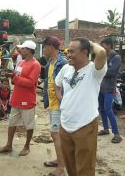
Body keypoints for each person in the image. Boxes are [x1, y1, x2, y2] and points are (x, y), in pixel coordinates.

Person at [55, 37, 107, 176]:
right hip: (65, 124)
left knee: (85, 168)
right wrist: (61, 99)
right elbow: (57, 84)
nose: (68, 54)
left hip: (85, 125)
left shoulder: (94, 71)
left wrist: (90, 43)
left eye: (72, 51)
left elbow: (101, 53)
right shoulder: (66, 68)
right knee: (70, 165)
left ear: (85, 53)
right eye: (68, 51)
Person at [0, 40, 41, 156]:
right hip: (16, 98)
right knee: (12, 123)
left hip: (27, 100)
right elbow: (15, 79)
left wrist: (14, 77)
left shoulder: (35, 65)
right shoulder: (20, 63)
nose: (20, 50)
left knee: (28, 125)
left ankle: (27, 146)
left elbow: (31, 82)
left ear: (29, 50)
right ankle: (9, 145)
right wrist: (10, 76)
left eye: (23, 49)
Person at [41, 36, 68, 176]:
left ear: (50, 46)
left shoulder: (63, 63)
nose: (43, 50)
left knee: (56, 134)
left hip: (59, 104)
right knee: (56, 134)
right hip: (52, 103)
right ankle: (59, 160)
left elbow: (68, 85)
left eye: (44, 47)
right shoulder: (49, 63)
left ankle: (61, 169)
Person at [97, 37, 122, 143]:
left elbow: (111, 72)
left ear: (108, 45)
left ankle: (117, 134)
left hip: (109, 88)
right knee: (101, 109)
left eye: (103, 45)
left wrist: (99, 70)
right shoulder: (103, 56)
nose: (101, 48)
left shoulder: (116, 57)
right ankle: (106, 129)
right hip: (100, 87)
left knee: (108, 109)